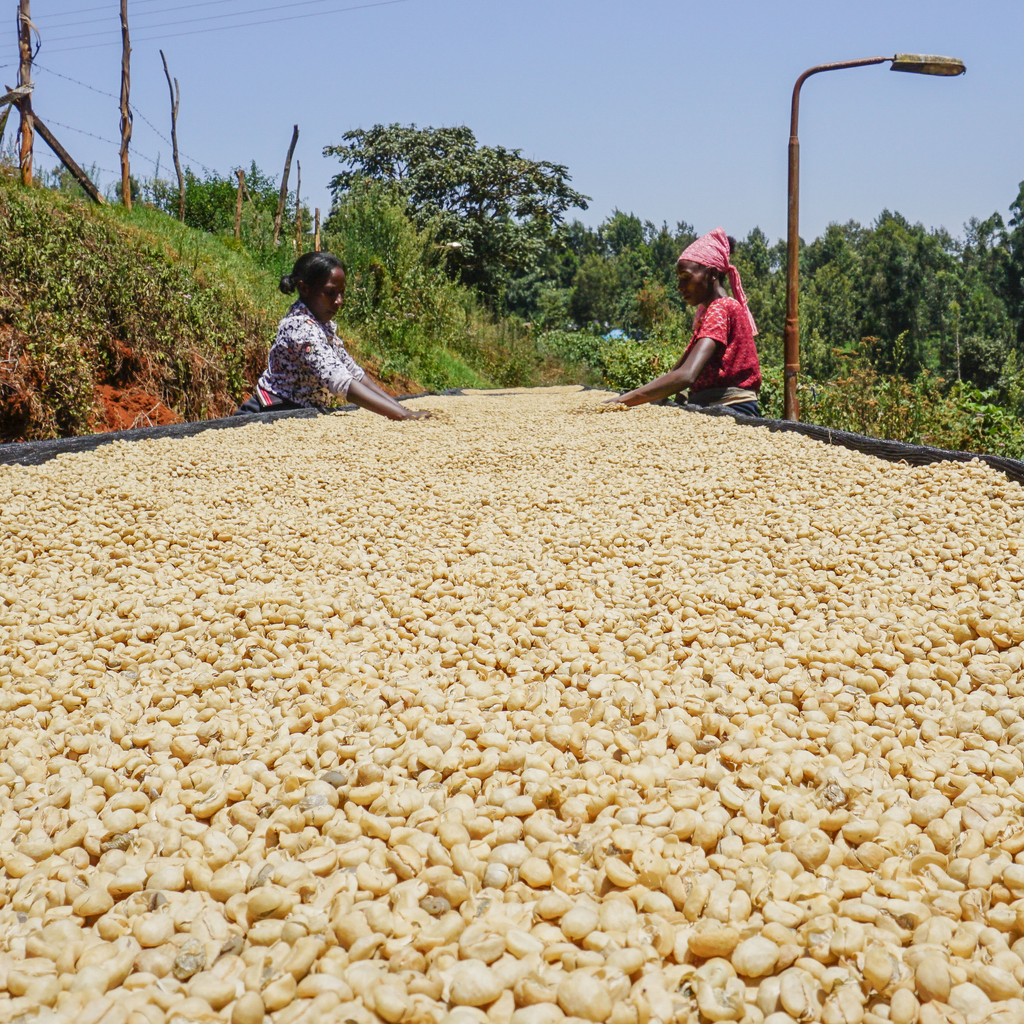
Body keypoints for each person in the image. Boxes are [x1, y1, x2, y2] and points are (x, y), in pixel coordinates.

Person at [236, 251, 429, 421]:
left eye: (341, 293)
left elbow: (353, 373)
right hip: (269, 412)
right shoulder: (299, 327)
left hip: (299, 412)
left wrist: (402, 410)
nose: (339, 301)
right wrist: (401, 415)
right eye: (330, 293)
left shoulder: (323, 326)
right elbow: (339, 380)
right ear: (304, 288)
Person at [610, 228, 761, 416]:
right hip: (717, 406)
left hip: (731, 409)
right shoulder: (713, 311)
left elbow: (687, 375)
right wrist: (650, 400)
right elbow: (678, 371)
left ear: (712, 274)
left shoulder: (721, 308)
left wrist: (619, 402)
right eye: (679, 279)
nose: (680, 287)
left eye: (686, 278)